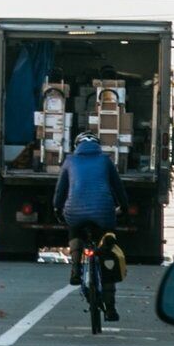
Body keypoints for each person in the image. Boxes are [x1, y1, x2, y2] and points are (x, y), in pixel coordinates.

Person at [63, 129, 123, 323]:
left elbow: (60, 191)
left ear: (76, 146)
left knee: (74, 227)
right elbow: (118, 188)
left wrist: (57, 208)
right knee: (107, 253)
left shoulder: (70, 161)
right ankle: (111, 307)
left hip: (75, 212)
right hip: (104, 214)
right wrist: (125, 206)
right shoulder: (105, 161)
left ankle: (75, 267)